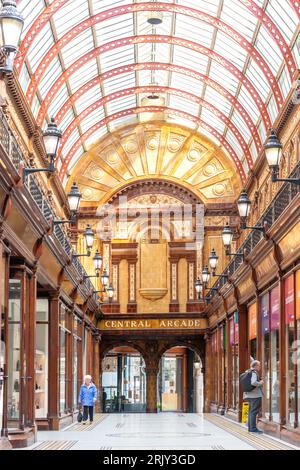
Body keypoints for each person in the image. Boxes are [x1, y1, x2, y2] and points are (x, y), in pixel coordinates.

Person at [243, 360, 264, 434]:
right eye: (259, 365)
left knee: (251, 411)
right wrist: (261, 383)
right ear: (255, 366)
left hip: (247, 395)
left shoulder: (247, 371)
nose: (260, 367)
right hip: (255, 395)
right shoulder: (254, 373)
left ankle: (250, 427)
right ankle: (253, 428)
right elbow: (253, 383)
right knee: (254, 412)